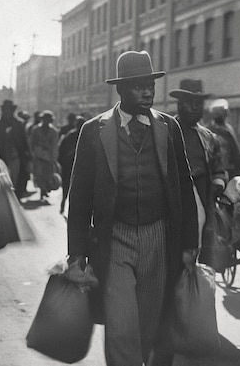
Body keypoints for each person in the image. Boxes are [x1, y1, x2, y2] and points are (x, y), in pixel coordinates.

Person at [66, 50, 198, 366]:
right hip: (114, 239)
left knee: (151, 327)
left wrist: (190, 245)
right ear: (121, 89)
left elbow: (184, 189)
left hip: (158, 236)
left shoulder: (169, 128)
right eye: (139, 85)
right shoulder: (94, 130)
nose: (148, 91)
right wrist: (76, 255)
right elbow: (80, 196)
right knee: (121, 324)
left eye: (150, 84)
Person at [169, 79, 227, 246]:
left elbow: (218, 169)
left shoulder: (208, 138)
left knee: (202, 254)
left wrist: (218, 183)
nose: (195, 107)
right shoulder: (165, 132)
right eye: (189, 102)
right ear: (179, 104)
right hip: (173, 206)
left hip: (202, 203)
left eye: (199, 103)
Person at [0, 100, 31, 198]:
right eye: (5, 110)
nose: (7, 112)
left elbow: (24, 141)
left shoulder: (19, 124)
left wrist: (27, 155)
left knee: (16, 180)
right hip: (1, 157)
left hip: (16, 156)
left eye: (9, 110)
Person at [207, 98, 240, 178]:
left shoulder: (228, 129)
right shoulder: (208, 130)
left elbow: (235, 151)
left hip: (229, 170)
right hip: (213, 170)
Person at [57, 115, 86, 214]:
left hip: (77, 166)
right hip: (70, 165)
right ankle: (64, 204)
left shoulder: (86, 135)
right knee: (68, 186)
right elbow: (62, 150)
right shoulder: (71, 135)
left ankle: (67, 205)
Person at [29, 110, 60, 202]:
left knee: (48, 175)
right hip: (38, 156)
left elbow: (55, 146)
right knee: (39, 175)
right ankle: (42, 191)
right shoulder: (36, 129)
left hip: (49, 157)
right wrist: (33, 153)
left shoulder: (54, 131)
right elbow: (31, 142)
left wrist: (54, 158)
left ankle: (45, 190)